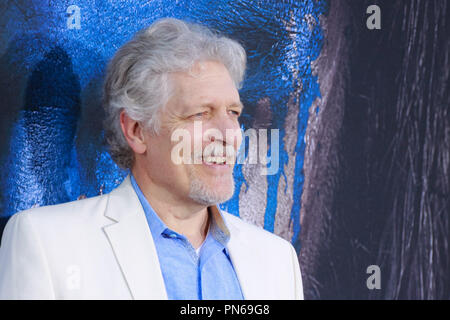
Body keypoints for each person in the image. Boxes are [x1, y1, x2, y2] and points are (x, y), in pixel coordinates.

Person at [0, 18, 303, 299]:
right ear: (136, 131)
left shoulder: (277, 261)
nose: (229, 134)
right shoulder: (47, 244)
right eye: (200, 114)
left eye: (233, 113)